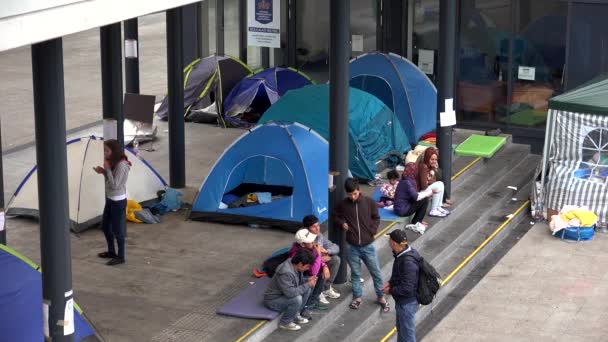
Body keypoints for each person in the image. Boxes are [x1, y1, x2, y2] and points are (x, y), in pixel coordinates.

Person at [334, 178, 390, 312]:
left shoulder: (369, 202)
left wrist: (372, 230)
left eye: (354, 193)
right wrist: (342, 223)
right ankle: (357, 297)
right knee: (355, 273)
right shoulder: (343, 204)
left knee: (375, 271)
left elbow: (376, 217)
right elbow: (336, 215)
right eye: (350, 195)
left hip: (368, 245)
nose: (353, 197)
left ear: (359, 190)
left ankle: (381, 296)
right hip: (352, 245)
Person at [94, 139, 131, 266]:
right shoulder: (114, 162)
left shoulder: (122, 164)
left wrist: (107, 169)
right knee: (105, 227)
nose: (105, 153)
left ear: (114, 151)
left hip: (118, 201)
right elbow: (111, 180)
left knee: (117, 231)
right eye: (104, 150)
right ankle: (111, 251)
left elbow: (115, 185)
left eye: (107, 151)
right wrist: (103, 172)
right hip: (111, 199)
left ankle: (121, 256)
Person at [264, 249, 317, 331]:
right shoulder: (285, 272)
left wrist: (307, 280)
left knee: (307, 289)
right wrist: (307, 284)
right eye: (307, 266)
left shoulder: (294, 265)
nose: (307, 269)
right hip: (273, 300)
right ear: (300, 264)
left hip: (283, 295)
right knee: (297, 299)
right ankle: (285, 323)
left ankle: (296, 314)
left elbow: (295, 282)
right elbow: (290, 293)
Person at [384, 229, 421, 342]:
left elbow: (407, 288)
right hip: (404, 303)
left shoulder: (407, 262)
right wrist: (391, 282)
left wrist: (391, 290)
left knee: (407, 336)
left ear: (394, 243)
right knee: (402, 331)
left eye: (389, 239)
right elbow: (400, 275)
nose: (388, 242)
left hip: (407, 304)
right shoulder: (404, 254)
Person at [287, 228, 330, 310]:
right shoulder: (299, 253)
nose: (314, 242)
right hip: (296, 279)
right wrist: (319, 255)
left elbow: (315, 264)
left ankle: (312, 301)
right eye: (311, 241)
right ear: (303, 244)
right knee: (314, 277)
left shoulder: (308, 248)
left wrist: (324, 266)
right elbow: (313, 272)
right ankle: (306, 305)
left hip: (304, 273)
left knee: (321, 274)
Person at [303, 215, 341, 303]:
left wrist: (327, 251)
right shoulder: (304, 239)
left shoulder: (319, 236)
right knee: (319, 269)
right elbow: (305, 260)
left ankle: (326, 288)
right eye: (314, 227)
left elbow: (336, 247)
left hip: (318, 263)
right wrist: (320, 260)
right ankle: (317, 292)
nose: (317, 228)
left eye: (318, 225)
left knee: (335, 259)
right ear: (307, 229)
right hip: (307, 268)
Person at [393, 163, 434, 233]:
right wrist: (428, 193)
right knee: (425, 200)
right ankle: (416, 221)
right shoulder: (408, 182)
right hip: (403, 210)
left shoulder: (404, 179)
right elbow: (416, 197)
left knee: (423, 198)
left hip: (398, 208)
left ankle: (418, 220)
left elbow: (413, 195)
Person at [418, 147, 451, 215]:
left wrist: (435, 169)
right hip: (420, 192)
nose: (434, 161)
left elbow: (437, 178)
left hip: (426, 188)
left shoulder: (430, 166)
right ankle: (433, 209)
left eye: (435, 159)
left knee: (440, 184)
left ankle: (438, 207)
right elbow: (424, 185)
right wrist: (431, 181)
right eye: (432, 159)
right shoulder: (424, 167)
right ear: (427, 158)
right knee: (438, 184)